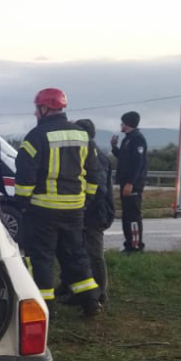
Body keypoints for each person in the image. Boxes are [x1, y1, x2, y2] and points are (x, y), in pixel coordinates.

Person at [14, 88, 102, 317]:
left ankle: (44, 307)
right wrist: (86, 200)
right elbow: (94, 174)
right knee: (76, 254)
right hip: (74, 210)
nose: (35, 113)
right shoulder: (83, 135)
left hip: (42, 210)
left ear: (45, 108)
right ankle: (91, 301)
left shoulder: (37, 136)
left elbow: (25, 173)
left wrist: (21, 202)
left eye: (37, 108)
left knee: (41, 257)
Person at [57, 119, 114, 306]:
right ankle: (72, 287)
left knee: (94, 254)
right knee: (73, 252)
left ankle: (99, 294)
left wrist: (83, 205)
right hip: (83, 211)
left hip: (94, 214)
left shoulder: (95, 156)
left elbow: (98, 189)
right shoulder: (87, 152)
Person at [111, 111, 148, 253]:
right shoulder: (127, 139)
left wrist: (130, 183)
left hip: (132, 184)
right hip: (124, 183)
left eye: (122, 122)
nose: (121, 125)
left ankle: (136, 246)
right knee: (126, 216)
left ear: (127, 123)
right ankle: (128, 244)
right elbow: (123, 158)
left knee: (133, 216)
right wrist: (115, 147)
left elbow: (138, 164)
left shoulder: (138, 139)